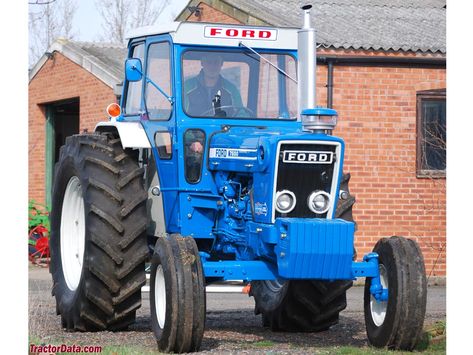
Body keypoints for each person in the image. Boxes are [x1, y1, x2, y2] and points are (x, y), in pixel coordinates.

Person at [183, 53, 244, 117]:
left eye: (216, 62)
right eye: (208, 62)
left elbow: (241, 115)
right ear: (202, 63)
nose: (212, 66)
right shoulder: (187, 87)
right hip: (195, 126)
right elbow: (180, 116)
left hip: (223, 126)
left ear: (221, 63)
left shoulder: (231, 89)